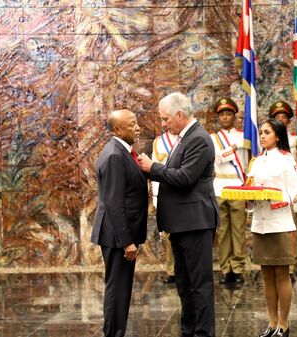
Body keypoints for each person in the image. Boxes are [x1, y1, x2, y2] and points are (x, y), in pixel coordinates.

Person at [137, 92, 218, 337]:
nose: (163, 124)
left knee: (199, 285)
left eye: (165, 119)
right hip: (183, 224)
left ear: (180, 115)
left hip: (195, 223)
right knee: (184, 284)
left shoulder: (199, 139)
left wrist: (153, 168)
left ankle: (203, 333)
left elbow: (185, 178)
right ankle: (189, 330)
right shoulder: (185, 138)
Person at [90, 109, 148, 337]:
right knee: (118, 289)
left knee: (121, 288)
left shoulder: (123, 151)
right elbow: (113, 203)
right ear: (117, 130)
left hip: (120, 234)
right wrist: (127, 242)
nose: (138, 127)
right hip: (117, 237)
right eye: (132, 124)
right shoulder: (115, 155)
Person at [248, 118, 297, 337]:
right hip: (260, 223)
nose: (262, 136)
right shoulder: (257, 161)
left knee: (282, 274)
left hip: (279, 222)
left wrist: (280, 199)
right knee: (266, 275)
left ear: (277, 136)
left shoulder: (286, 160)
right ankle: (271, 323)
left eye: (267, 132)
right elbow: (250, 187)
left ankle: (283, 324)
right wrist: (249, 195)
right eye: (261, 132)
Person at [268, 101, 297, 282]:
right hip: (271, 191)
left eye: (284, 117)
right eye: (277, 117)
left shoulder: (295, 140)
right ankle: (273, 264)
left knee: (290, 230)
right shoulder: (267, 140)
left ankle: (290, 267)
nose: (281, 120)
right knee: (271, 230)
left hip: (290, 191)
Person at [211, 97, 249, 285]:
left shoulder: (245, 136)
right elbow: (215, 159)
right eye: (222, 115)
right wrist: (231, 150)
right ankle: (226, 268)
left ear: (235, 116)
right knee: (223, 230)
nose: (225, 117)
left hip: (237, 186)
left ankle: (239, 267)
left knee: (238, 230)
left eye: (228, 114)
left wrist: (236, 146)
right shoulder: (212, 138)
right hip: (219, 187)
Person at [150, 130, 177, 284]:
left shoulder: (186, 140)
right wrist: (155, 198)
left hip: (182, 194)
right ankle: (171, 270)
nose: (165, 123)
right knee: (168, 236)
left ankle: (183, 270)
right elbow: (154, 172)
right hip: (164, 195)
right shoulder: (159, 142)